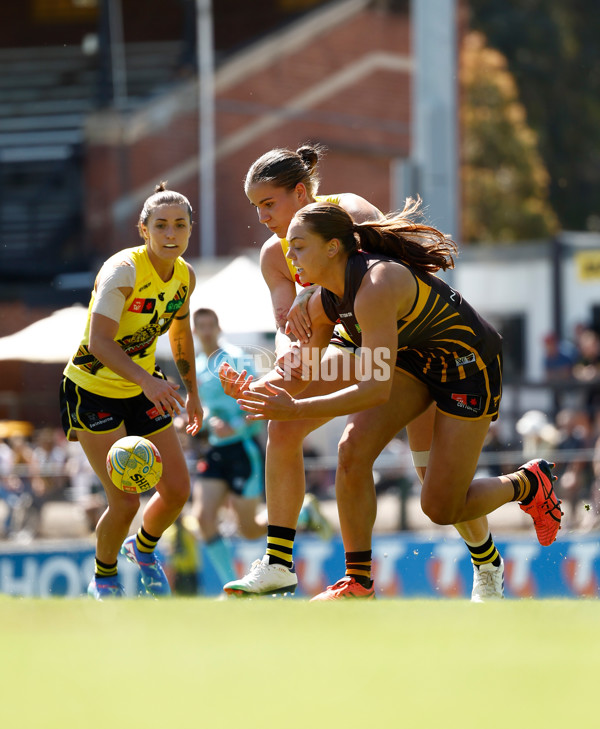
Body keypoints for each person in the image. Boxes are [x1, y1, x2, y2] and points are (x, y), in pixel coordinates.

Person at [226, 200, 563, 600]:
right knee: (351, 450)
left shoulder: (375, 286)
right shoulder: (324, 299)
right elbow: (305, 371)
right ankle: (358, 581)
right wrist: (255, 389)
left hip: (467, 369)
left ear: (333, 247)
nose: (290, 256)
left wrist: (295, 409)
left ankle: (528, 482)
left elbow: (374, 390)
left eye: (298, 247)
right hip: (413, 364)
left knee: (439, 508)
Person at [59, 182, 203, 600]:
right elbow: (99, 342)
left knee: (176, 490)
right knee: (124, 503)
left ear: (191, 230)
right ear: (144, 230)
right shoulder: (123, 269)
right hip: (92, 390)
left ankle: (143, 550)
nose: (171, 234)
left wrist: (192, 393)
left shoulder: (184, 277)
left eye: (180, 225)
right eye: (161, 225)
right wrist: (147, 381)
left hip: (144, 385)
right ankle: (103, 579)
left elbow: (181, 335)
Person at [191, 307, 267, 586]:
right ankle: (229, 586)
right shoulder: (196, 364)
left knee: (248, 530)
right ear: (195, 331)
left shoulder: (235, 358)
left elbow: (258, 399)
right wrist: (203, 420)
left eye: (211, 325)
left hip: (243, 448)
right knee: (202, 517)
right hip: (216, 449)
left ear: (218, 328)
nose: (207, 331)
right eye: (201, 326)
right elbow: (206, 409)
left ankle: (303, 513)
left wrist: (234, 424)